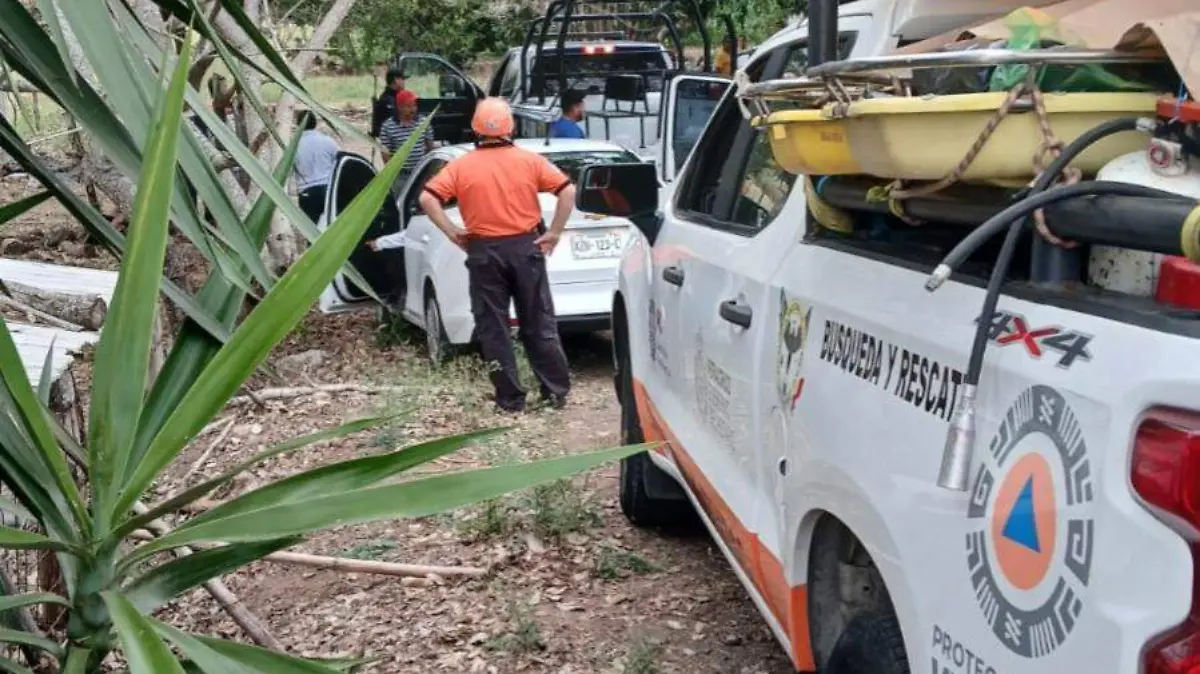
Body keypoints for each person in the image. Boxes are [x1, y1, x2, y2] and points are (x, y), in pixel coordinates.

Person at [417, 98, 575, 413]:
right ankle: (555, 392)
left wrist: (452, 232)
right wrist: (554, 232)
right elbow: (567, 190)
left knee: (494, 326)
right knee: (539, 321)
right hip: (525, 249)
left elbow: (427, 197)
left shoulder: (461, 166)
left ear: (476, 127)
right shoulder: (528, 161)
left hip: (484, 252)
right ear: (510, 127)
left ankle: (510, 399)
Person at [378, 89, 435, 186]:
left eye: (414, 105)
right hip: (400, 175)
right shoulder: (388, 126)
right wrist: (391, 174)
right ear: (400, 107)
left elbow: (430, 147)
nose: (413, 109)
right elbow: (385, 153)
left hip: (420, 173)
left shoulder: (423, 122)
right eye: (409, 106)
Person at [293, 111, 339, 223]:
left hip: (306, 191)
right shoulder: (328, 141)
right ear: (315, 123)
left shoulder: (294, 146)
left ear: (298, 124)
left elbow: (289, 172)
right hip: (328, 188)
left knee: (312, 229)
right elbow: (338, 163)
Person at [371, 67, 406, 138]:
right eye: (402, 79)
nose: (404, 82)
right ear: (396, 80)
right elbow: (394, 124)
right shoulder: (388, 100)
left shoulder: (394, 97)